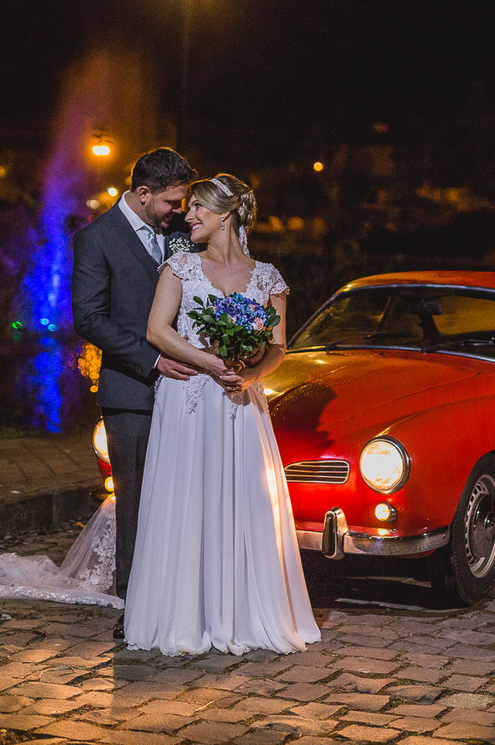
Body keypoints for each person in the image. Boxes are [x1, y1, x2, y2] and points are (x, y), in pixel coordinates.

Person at [123, 173, 320, 655]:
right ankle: (182, 614)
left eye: (198, 209)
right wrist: (209, 362)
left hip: (239, 401)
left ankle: (241, 613)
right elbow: (156, 331)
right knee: (187, 493)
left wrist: (251, 376)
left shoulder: (267, 276)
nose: (187, 216)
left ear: (226, 216)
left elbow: (278, 348)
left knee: (242, 495)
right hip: (190, 397)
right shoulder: (180, 267)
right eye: (187, 209)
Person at [71, 147, 199, 638]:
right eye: (171, 201)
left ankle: (180, 593)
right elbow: (89, 318)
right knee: (136, 503)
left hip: (190, 389)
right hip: (133, 392)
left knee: (183, 496)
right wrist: (152, 358)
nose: (180, 210)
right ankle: (135, 605)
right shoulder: (96, 239)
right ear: (143, 194)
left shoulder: (182, 234)